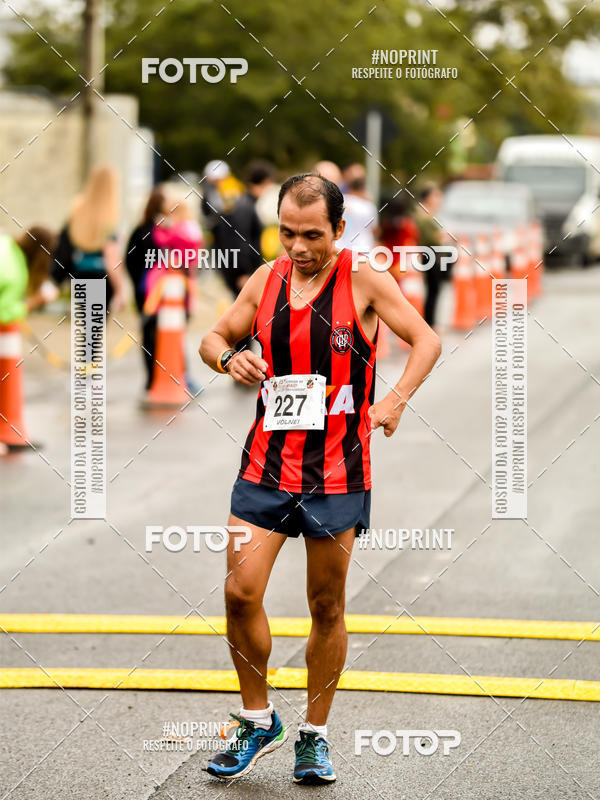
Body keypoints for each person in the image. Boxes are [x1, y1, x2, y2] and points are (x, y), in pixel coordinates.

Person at [199, 173, 441, 784]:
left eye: (312, 234)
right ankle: (258, 720)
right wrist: (229, 358)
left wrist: (396, 399)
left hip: (337, 473)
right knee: (239, 593)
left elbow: (426, 340)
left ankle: (314, 735)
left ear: (338, 228)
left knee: (326, 605)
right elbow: (212, 336)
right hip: (265, 466)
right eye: (287, 233)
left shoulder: (364, 279)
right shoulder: (266, 279)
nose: (298, 247)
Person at [50, 165, 126, 312]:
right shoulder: (109, 214)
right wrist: (120, 290)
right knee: (95, 325)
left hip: (80, 273)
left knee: (88, 323)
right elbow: (111, 258)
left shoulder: (77, 209)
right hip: (102, 277)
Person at [125, 186, 167, 390]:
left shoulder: (163, 230)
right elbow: (130, 260)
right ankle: (152, 378)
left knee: (161, 334)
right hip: (149, 293)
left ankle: (160, 377)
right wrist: (141, 284)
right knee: (151, 334)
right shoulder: (145, 231)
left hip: (163, 293)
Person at [414, 182, 444, 328]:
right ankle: (429, 323)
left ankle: (430, 322)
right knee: (432, 290)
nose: (439, 199)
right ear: (428, 197)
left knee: (432, 290)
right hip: (428, 256)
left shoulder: (427, 214)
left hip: (430, 255)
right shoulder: (423, 216)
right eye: (436, 196)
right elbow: (432, 238)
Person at [336, 164, 379, 253]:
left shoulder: (341, 202)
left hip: (344, 248)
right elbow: (374, 230)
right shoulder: (369, 206)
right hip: (364, 248)